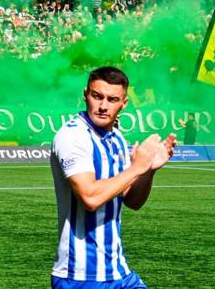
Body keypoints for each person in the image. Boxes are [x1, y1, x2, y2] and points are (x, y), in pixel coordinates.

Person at [49, 66, 176, 288]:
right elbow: (90, 197)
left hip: (119, 272)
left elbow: (132, 201)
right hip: (80, 277)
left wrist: (149, 170)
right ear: (86, 95)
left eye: (112, 99)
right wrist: (136, 168)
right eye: (97, 96)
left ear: (123, 104)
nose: (103, 106)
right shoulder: (72, 137)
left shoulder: (116, 138)